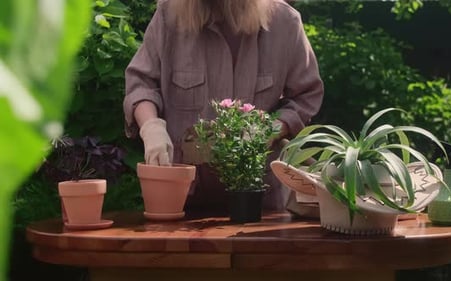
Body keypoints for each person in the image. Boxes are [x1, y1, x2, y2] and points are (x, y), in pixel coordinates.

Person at [123, 0, 324, 212]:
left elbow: (305, 96)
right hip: (182, 198)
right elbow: (141, 84)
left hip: (258, 203)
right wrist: (151, 127)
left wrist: (270, 130)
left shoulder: (285, 22)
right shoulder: (169, 16)